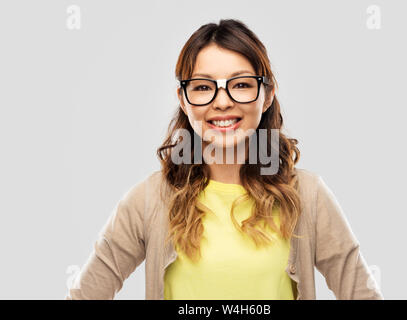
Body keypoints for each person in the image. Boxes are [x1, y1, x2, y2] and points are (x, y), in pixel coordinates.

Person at [65, 19, 383, 300]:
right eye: (203, 87)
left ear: (267, 94)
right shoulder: (148, 200)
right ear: (183, 100)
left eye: (241, 84)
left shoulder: (308, 196)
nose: (222, 102)